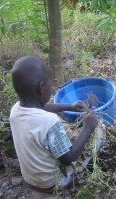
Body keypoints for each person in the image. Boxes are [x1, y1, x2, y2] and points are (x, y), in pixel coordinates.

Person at [9, 55, 98, 192]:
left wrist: (69, 105)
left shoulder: (15, 110)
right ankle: (88, 169)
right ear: (41, 87)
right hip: (53, 182)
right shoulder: (50, 121)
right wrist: (88, 127)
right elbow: (68, 158)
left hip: (30, 178)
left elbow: (40, 108)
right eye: (51, 86)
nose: (52, 89)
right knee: (99, 135)